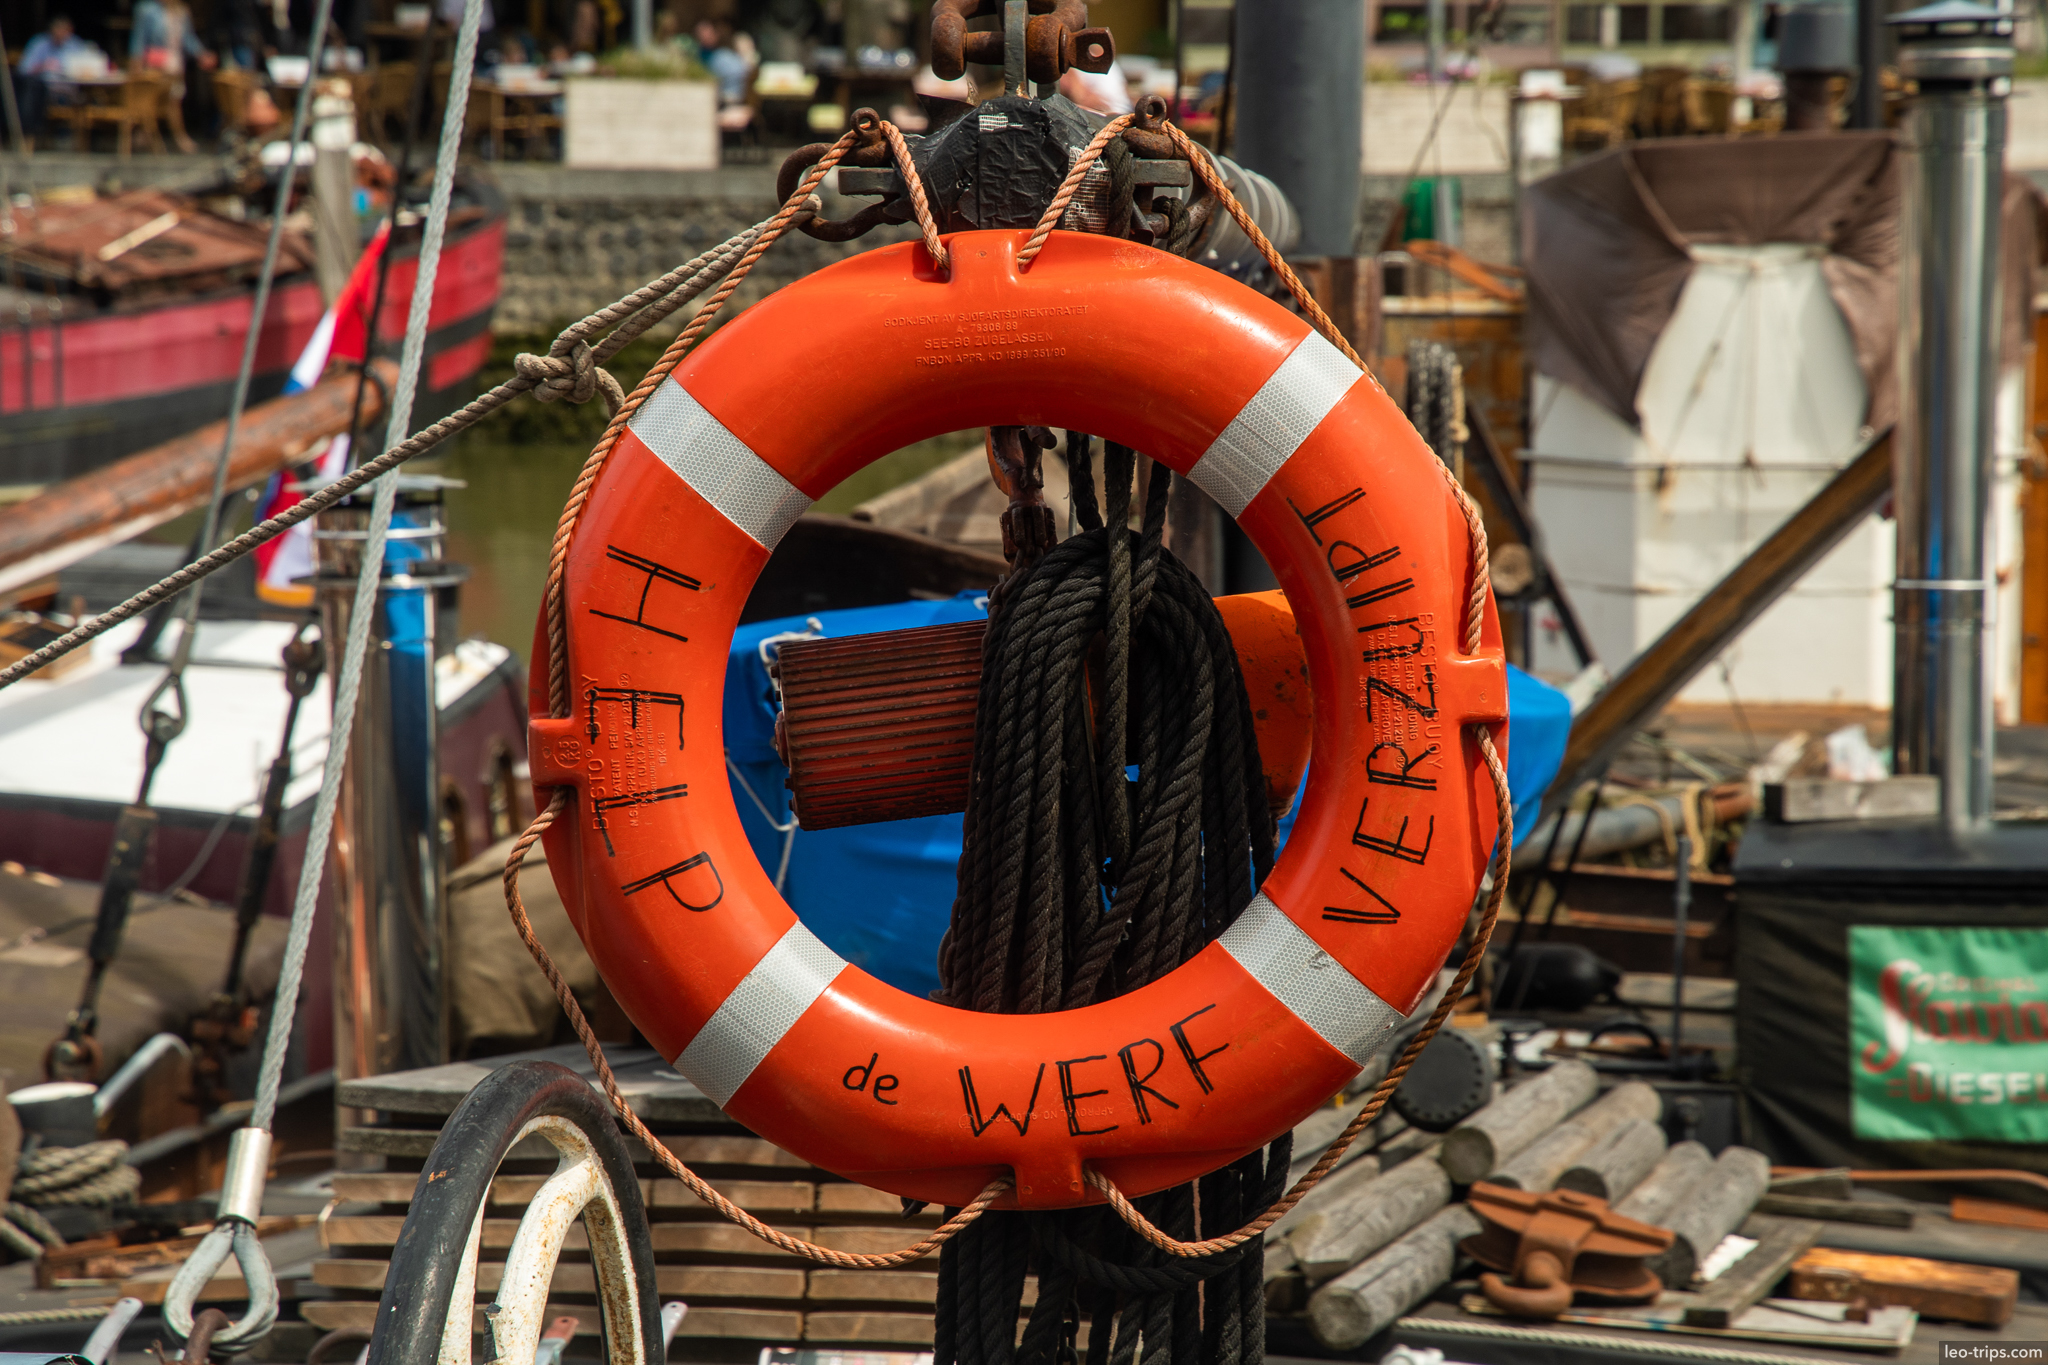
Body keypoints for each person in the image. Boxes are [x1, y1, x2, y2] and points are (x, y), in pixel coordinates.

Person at [130, 0, 215, 151]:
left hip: (175, 64)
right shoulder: (147, 9)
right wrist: (136, 61)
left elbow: (188, 38)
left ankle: (154, 135)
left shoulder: (181, 12)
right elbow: (139, 37)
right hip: (155, 65)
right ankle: (152, 134)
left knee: (173, 101)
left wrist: (201, 54)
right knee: (153, 102)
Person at [16, 16, 93, 144]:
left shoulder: (75, 44)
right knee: (34, 94)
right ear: (51, 30)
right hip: (43, 89)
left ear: (70, 31)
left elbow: (85, 65)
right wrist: (42, 66)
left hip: (70, 89)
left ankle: (79, 139)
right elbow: (23, 70)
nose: (61, 34)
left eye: (64, 31)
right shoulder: (39, 43)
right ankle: (33, 134)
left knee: (86, 99)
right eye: (58, 30)